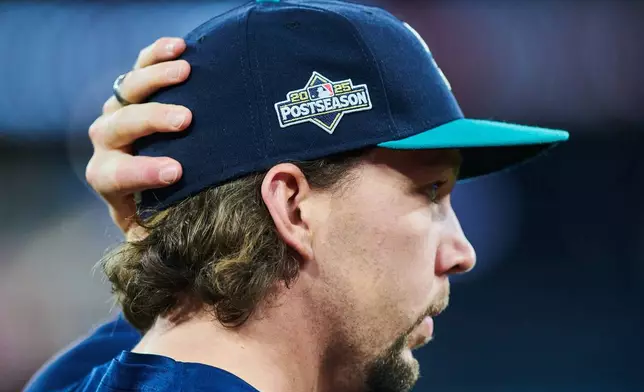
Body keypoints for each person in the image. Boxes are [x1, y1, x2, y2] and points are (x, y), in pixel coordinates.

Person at [26, 1, 569, 392]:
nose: (461, 252)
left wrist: (164, 239)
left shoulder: (69, 378)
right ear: (292, 206)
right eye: (430, 191)